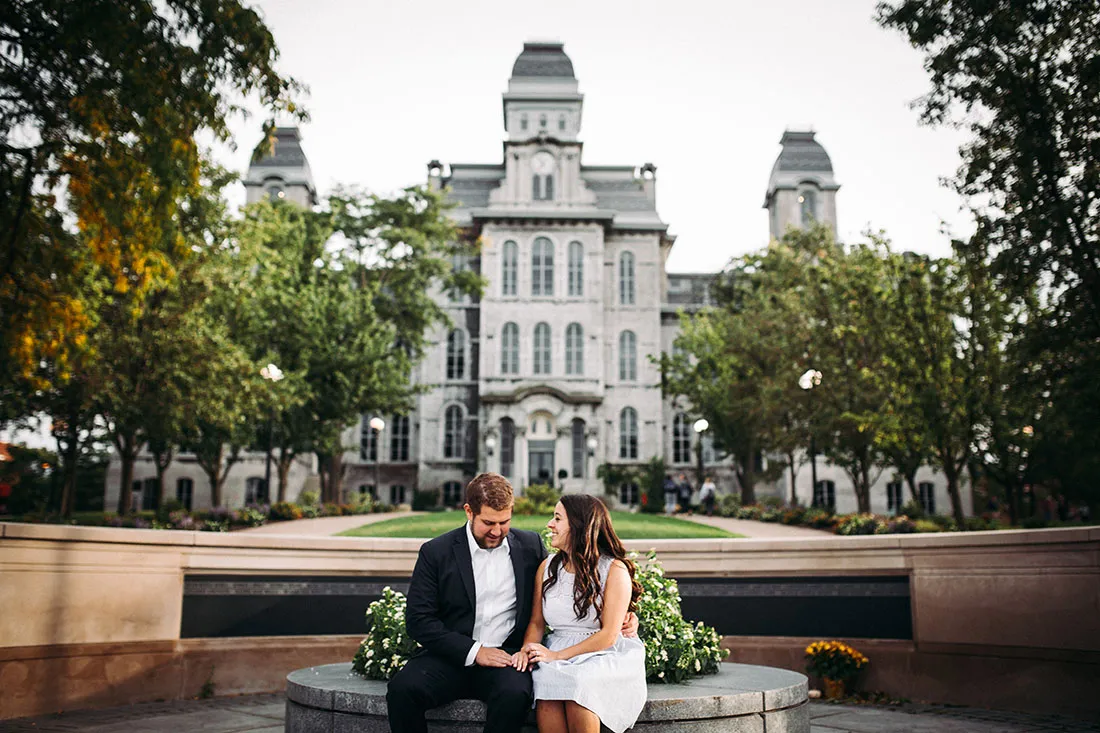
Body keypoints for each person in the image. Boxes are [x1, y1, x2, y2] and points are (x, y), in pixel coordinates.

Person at [387, 473, 637, 733]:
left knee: (515, 694)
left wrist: (626, 616)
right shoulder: (436, 552)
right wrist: (476, 651)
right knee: (402, 690)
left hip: (507, 658)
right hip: (449, 658)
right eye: (488, 522)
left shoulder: (530, 547)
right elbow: (419, 621)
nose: (497, 531)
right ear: (468, 512)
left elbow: (572, 586)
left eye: (504, 522)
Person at [515, 495, 647, 733]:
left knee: (578, 685)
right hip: (558, 648)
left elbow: (608, 634)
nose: (549, 525)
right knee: (546, 684)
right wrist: (529, 649)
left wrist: (557, 656)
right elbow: (536, 623)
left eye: (557, 518)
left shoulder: (613, 569)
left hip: (603, 652)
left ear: (578, 525)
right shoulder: (547, 568)